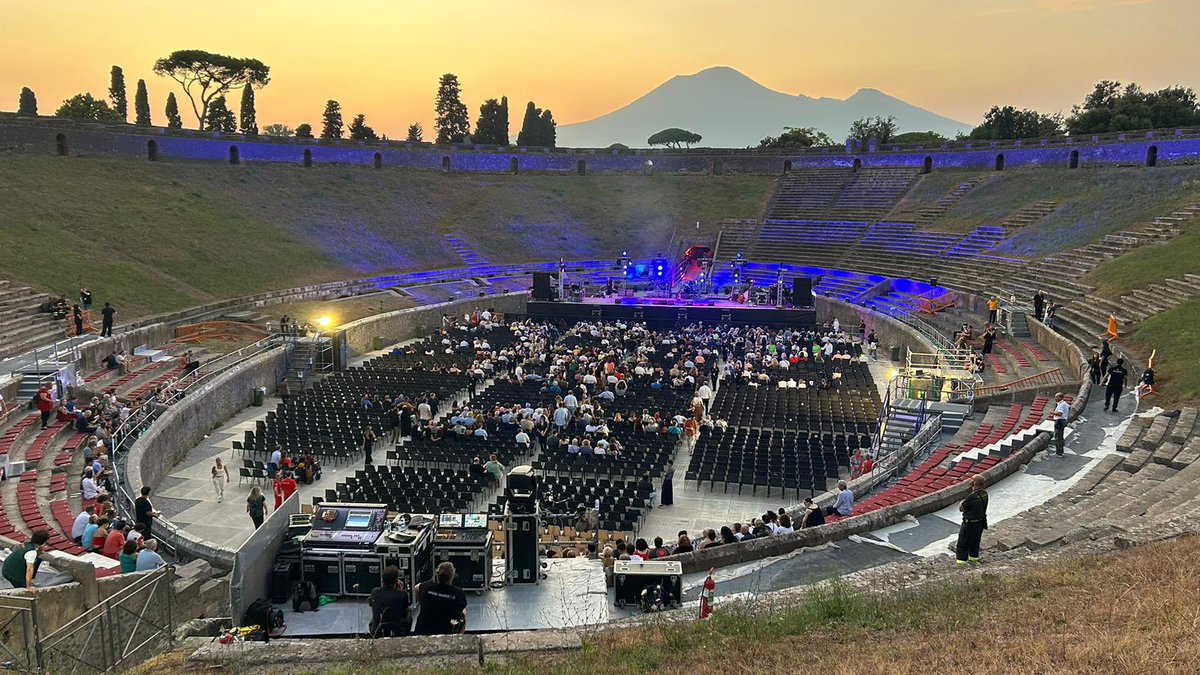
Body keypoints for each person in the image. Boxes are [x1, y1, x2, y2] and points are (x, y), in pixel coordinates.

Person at [414, 562, 467, 635]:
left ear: (437, 574)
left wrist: (422, 602)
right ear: (452, 576)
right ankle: (459, 638)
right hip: (445, 631)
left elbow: (416, 587)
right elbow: (460, 610)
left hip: (422, 630)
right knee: (464, 611)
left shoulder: (426, 586)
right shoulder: (458, 593)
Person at [955, 476, 989, 565]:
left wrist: (961, 503)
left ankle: (961, 563)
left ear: (975, 484)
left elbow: (962, 508)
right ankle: (973, 559)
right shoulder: (985, 494)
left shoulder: (972, 497)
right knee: (975, 541)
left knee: (963, 543)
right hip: (980, 523)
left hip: (970, 524)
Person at [370, 565, 411, 638]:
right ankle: (405, 635)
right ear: (396, 581)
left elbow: (375, 609)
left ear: (382, 580)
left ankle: (374, 631)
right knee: (409, 614)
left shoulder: (374, 592)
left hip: (378, 630)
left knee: (373, 619)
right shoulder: (403, 594)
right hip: (397, 629)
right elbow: (405, 612)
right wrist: (400, 590)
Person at [1049, 392, 1071, 456]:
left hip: (1059, 421)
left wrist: (1052, 412)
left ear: (1061, 397)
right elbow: (1069, 407)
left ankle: (1059, 452)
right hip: (1062, 420)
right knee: (1060, 436)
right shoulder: (1064, 404)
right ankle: (1060, 451)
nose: (1055, 398)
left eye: (1056, 397)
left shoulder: (1061, 404)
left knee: (1058, 437)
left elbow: (1059, 413)